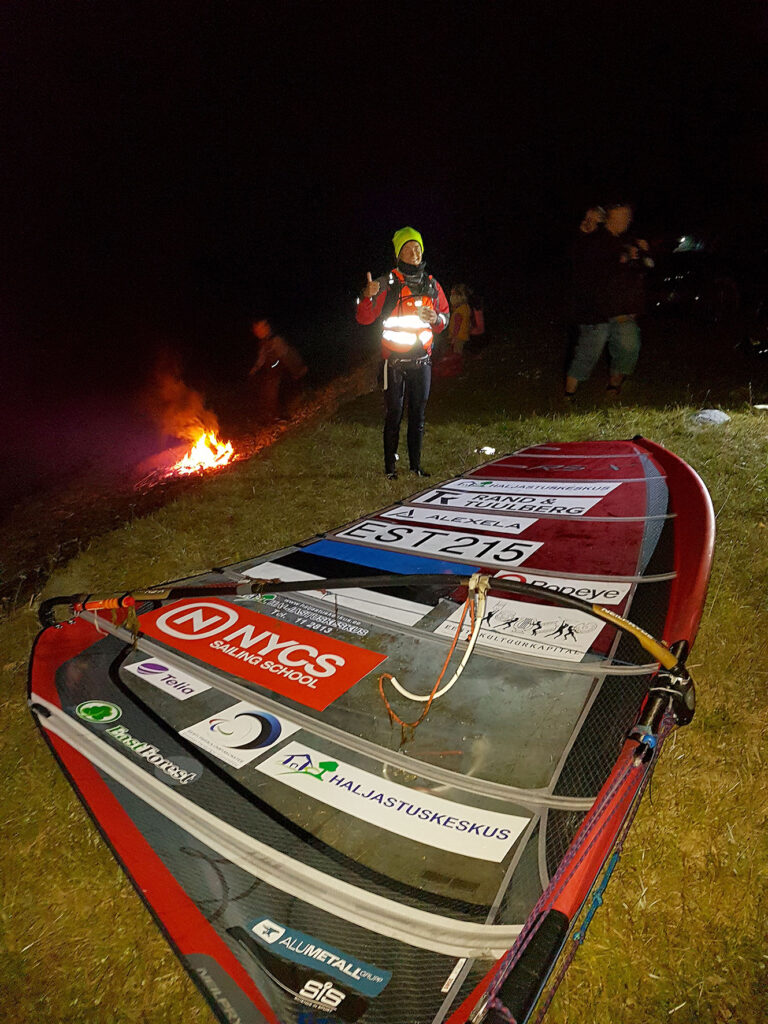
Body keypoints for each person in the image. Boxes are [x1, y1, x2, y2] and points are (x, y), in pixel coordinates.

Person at [355, 226, 449, 478]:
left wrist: (437, 317)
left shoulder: (431, 284)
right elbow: (364, 319)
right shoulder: (388, 282)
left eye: (417, 247)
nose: (414, 251)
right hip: (394, 363)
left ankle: (416, 467)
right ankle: (390, 469)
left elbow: (445, 318)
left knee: (418, 414)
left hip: (422, 361)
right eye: (407, 248)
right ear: (398, 254)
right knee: (394, 414)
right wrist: (366, 296)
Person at [565, 202, 653, 398]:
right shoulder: (594, 239)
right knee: (589, 349)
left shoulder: (628, 240)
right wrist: (584, 230)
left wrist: (642, 253)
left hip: (622, 308)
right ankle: (568, 395)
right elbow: (583, 263)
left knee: (629, 346)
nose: (626, 221)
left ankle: (614, 385)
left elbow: (645, 268)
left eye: (628, 217)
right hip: (596, 310)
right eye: (621, 217)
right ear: (610, 218)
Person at [247, 318, 307, 423]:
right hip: (273, 371)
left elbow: (288, 356)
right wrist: (255, 369)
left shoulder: (276, 340)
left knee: (275, 391)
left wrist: (296, 371)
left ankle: (281, 416)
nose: (258, 332)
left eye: (260, 328)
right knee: (267, 391)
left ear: (267, 327)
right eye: (256, 330)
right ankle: (273, 416)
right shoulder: (264, 342)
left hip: (283, 370)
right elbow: (262, 357)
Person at [447, 283, 471, 357]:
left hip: (458, 337)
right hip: (463, 335)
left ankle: (456, 365)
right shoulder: (466, 307)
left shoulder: (459, 311)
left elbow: (457, 325)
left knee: (456, 353)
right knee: (459, 352)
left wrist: (454, 337)